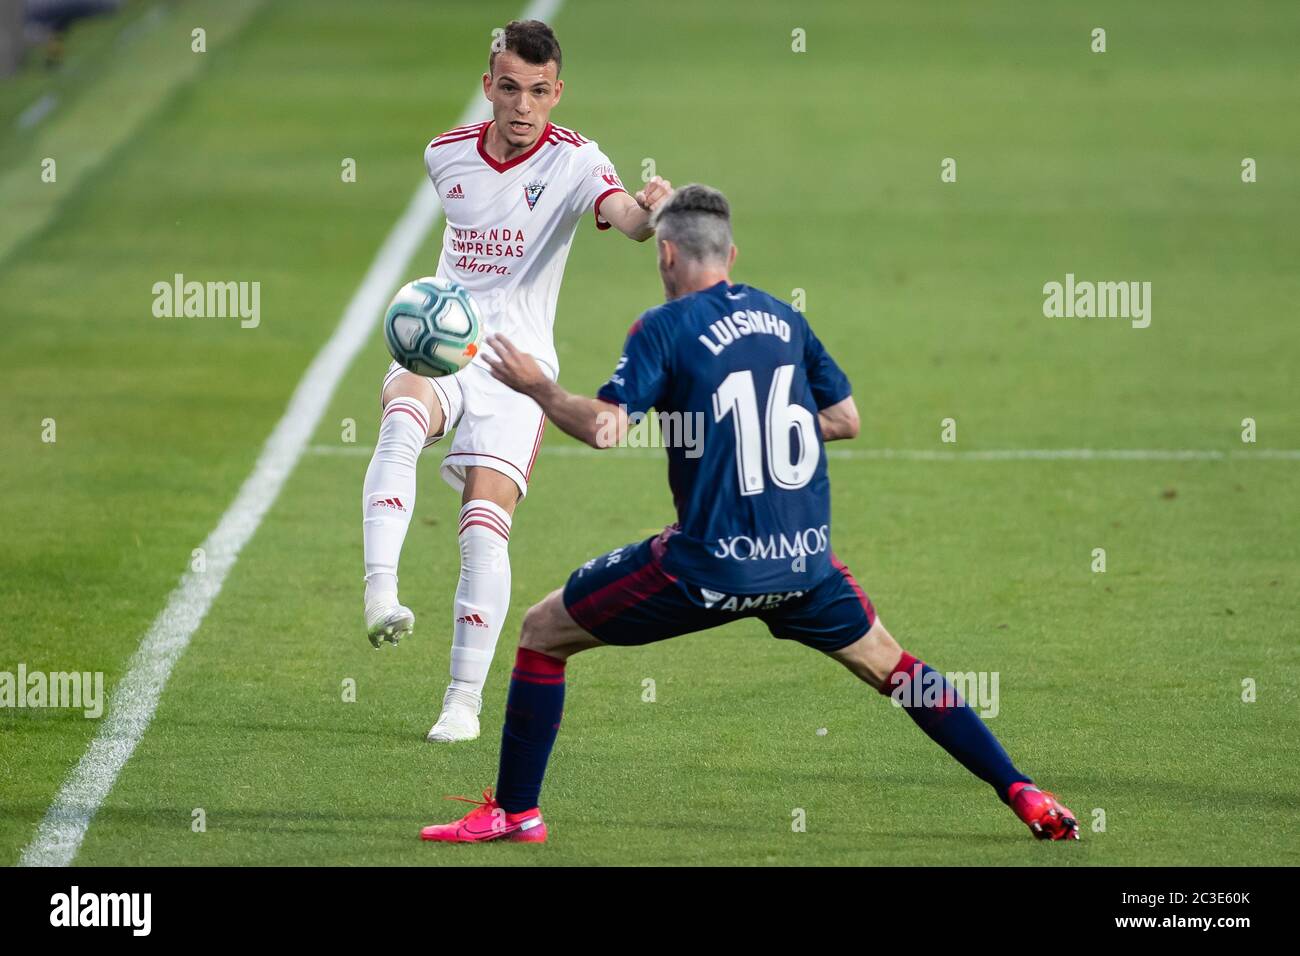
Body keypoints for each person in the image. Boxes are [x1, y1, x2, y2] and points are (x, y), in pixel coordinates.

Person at [419, 184, 1079, 844]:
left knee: (543, 630)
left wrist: (539, 389)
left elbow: (606, 431)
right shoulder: (783, 318)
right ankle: (1022, 790)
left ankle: (516, 811)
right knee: (897, 669)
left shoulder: (662, 329)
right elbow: (846, 419)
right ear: (730, 253)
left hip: (706, 567)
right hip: (803, 566)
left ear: (666, 254)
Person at [361, 19, 673, 743]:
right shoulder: (445, 157)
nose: (523, 106)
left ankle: (462, 700)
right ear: (488, 89)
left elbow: (625, 219)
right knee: (401, 416)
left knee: (482, 525)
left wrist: (653, 210)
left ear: (556, 92)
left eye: (538, 91)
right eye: (509, 89)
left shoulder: (575, 161)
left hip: (518, 370)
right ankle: (381, 592)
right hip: (444, 344)